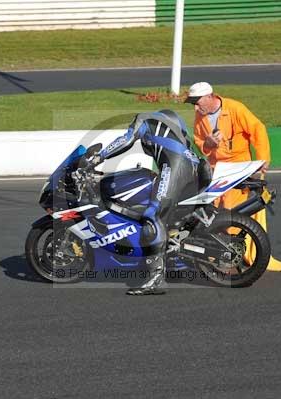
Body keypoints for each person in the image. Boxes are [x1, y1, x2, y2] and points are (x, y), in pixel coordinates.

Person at [85, 110, 202, 295]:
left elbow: (126, 140)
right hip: (196, 165)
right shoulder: (169, 117)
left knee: (152, 215)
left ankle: (155, 279)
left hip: (176, 166)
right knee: (163, 211)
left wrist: (98, 158)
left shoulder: (143, 119)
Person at [185, 82, 281, 272]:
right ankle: (218, 252)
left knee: (233, 214)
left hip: (238, 169)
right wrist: (208, 143)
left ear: (210, 97)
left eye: (197, 101)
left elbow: (257, 129)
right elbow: (201, 144)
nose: (195, 106)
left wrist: (263, 159)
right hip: (216, 170)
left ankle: (234, 253)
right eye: (192, 102)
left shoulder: (235, 108)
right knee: (212, 213)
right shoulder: (200, 116)